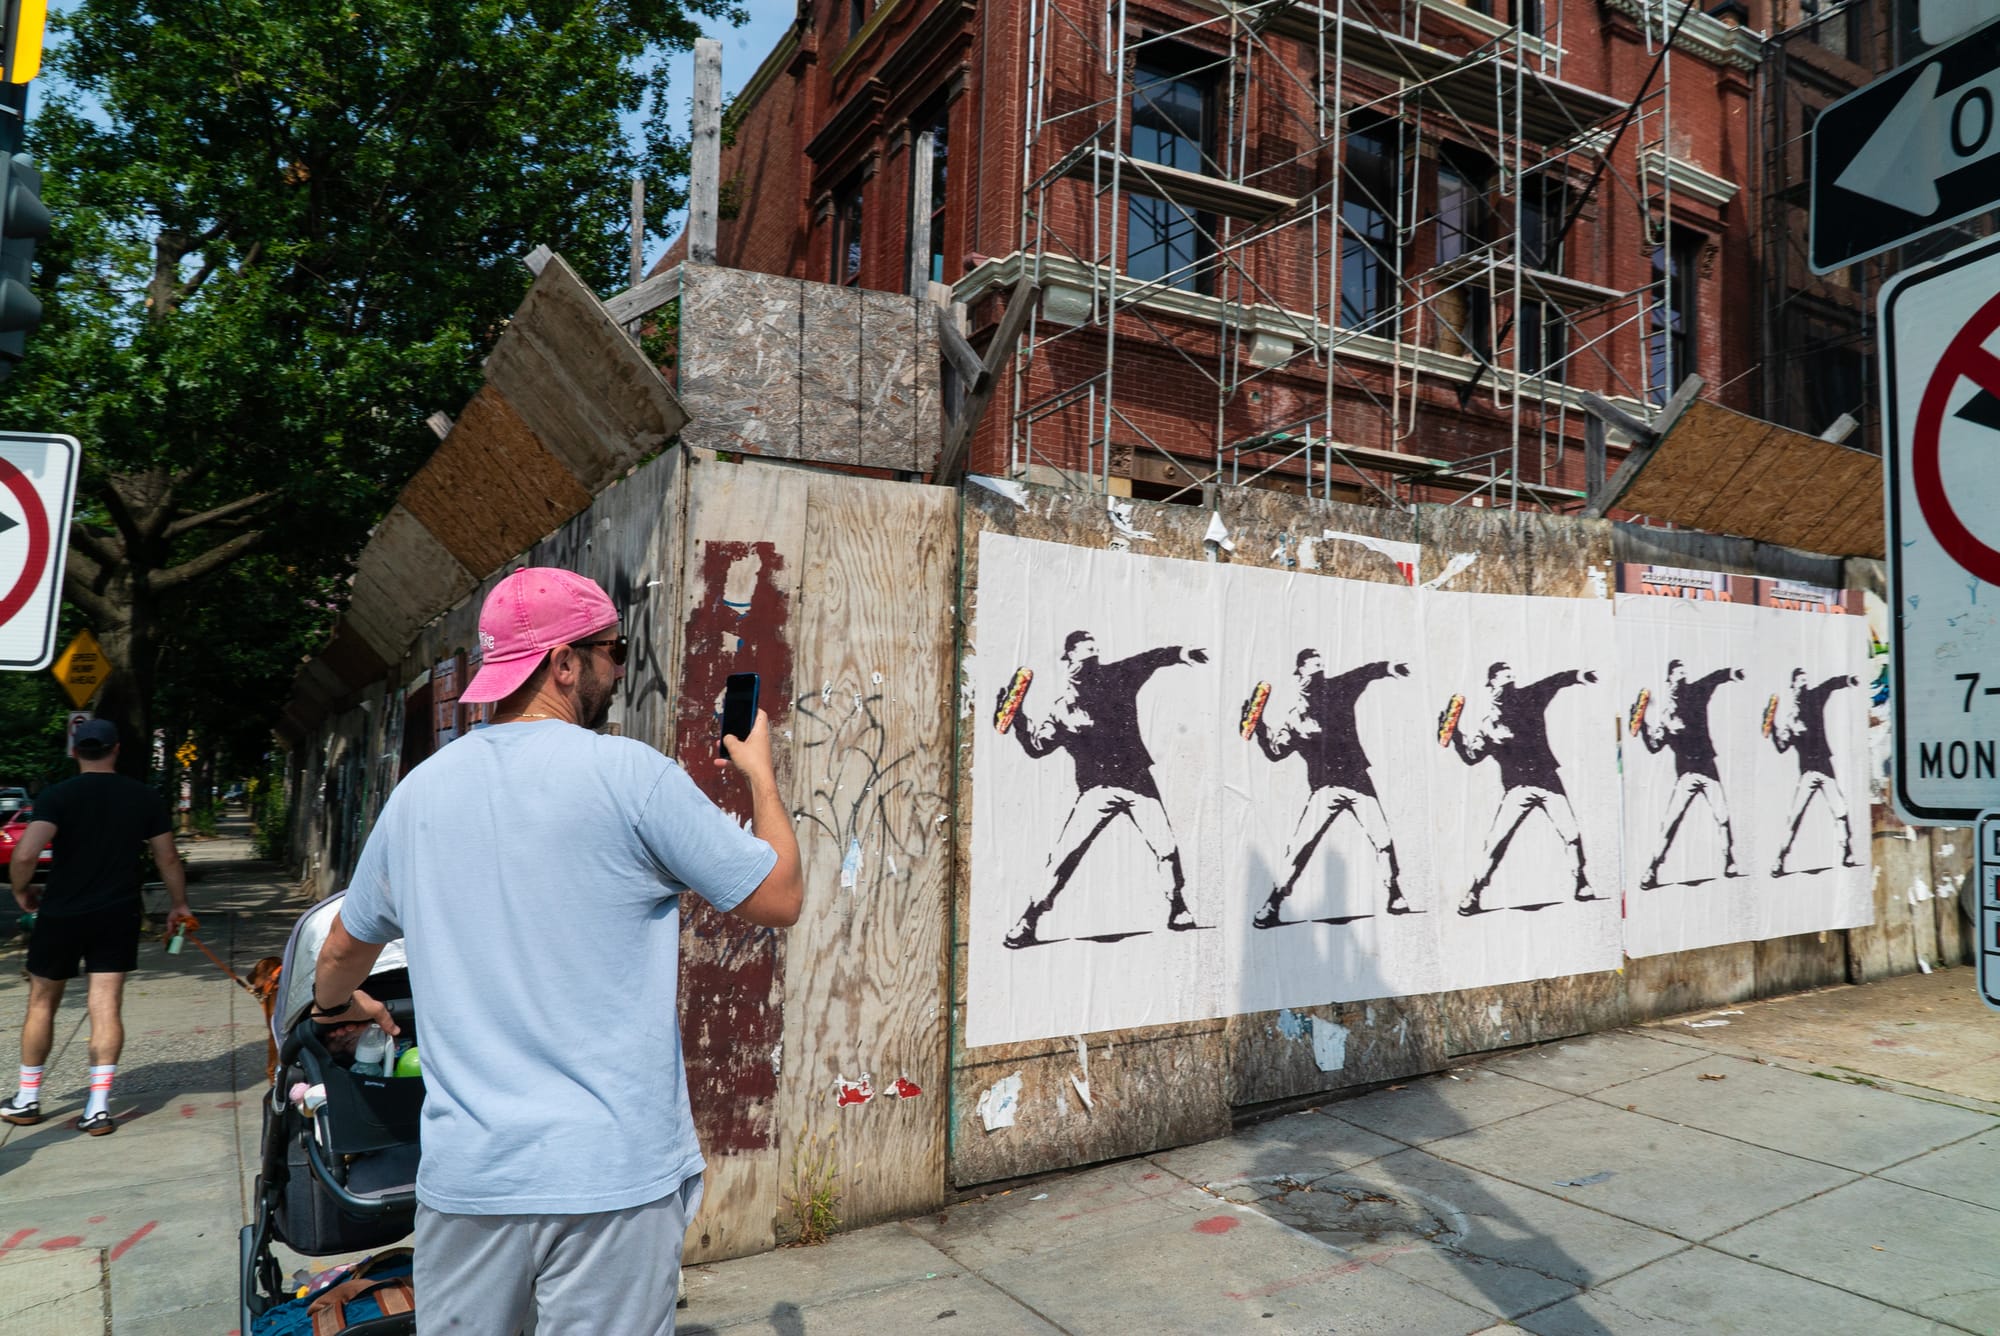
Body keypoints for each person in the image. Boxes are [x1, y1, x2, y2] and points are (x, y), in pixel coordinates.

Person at [311, 567, 802, 1336]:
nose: (618, 668)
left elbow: (343, 947)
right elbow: (780, 897)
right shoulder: (630, 777)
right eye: (614, 650)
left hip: (470, 1181)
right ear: (563, 664)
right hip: (609, 1179)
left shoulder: (417, 796)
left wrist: (339, 1004)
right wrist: (762, 778)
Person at [3, 719, 193, 1135]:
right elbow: (168, 858)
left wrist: (22, 892)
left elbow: (24, 854)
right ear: (116, 749)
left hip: (61, 913)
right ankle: (98, 1108)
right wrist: (178, 903)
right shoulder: (143, 797)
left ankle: (28, 1099)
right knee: (105, 1006)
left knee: (41, 1003)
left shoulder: (57, 796)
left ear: (75, 750)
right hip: (117, 912)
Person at [997, 630, 1206, 949]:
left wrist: (1181, 652)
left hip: (1137, 784)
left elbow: (1149, 658)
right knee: (1065, 855)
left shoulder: (1118, 676)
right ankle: (1029, 920)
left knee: (1165, 847)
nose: (1090, 660)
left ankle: (1177, 906)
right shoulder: (1061, 710)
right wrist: (1018, 721)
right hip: (1096, 790)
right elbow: (1038, 748)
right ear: (1067, 660)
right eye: (1084, 654)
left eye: (1095, 653)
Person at [1249, 651, 1412, 926]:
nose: (1319, 675)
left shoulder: (1339, 689)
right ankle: (1273, 903)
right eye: (1312, 671)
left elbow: (1365, 671)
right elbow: (1276, 753)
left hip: (1358, 782)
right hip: (1325, 789)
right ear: (1298, 674)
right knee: (1300, 848)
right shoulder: (1294, 719)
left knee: (1383, 840)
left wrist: (1389, 667)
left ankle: (1394, 892)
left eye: (1322, 670)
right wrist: (1259, 728)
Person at [1449, 662, 1603, 916]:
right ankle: (1474, 892)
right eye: (1502, 678)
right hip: (1517, 789)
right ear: (1491, 684)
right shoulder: (1488, 725)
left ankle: (1581, 881)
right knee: (1496, 841)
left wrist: (1579, 676)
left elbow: (1555, 679)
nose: (1508, 682)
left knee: (1572, 834)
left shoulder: (1530, 697)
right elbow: (1471, 757)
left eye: (1511, 678)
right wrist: (1454, 734)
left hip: (1547, 781)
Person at [1636, 660, 1746, 889]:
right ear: (1669, 681)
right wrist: (1643, 726)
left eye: (1683, 673)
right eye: (1677, 674)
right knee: (1670, 822)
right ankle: (1652, 869)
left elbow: (1714, 677)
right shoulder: (1666, 716)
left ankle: (1729, 860)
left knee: (1723, 817)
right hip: (1686, 774)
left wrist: (1732, 673)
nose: (1682, 676)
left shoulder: (1696, 692)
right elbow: (1655, 746)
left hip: (1707, 768)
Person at [1768, 667, 1862, 876]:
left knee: (1840, 810)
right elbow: (1782, 747)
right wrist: (1772, 726)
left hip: (1824, 767)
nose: (1804, 683)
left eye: (1805, 680)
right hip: (1808, 772)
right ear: (1792, 686)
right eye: (1800, 680)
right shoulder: (1791, 719)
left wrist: (1848, 680)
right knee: (1794, 817)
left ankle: (1847, 851)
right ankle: (1780, 860)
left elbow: (1829, 684)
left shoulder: (1814, 699)